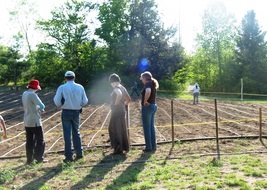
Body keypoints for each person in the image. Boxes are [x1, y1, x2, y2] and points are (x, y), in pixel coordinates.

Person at [54, 71, 88, 162]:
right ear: (74, 77)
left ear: (65, 78)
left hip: (66, 112)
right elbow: (85, 101)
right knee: (76, 132)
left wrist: (61, 105)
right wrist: (79, 105)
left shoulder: (62, 87)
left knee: (67, 134)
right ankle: (79, 153)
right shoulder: (80, 87)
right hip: (76, 112)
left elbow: (57, 101)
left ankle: (68, 156)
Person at [22, 79, 46, 164]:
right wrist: (42, 109)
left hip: (27, 120)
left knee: (29, 141)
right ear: (35, 87)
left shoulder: (24, 94)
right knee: (40, 140)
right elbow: (41, 105)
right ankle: (39, 158)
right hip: (35, 121)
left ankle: (29, 159)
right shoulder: (33, 95)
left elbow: (31, 105)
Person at [108, 73, 131, 154]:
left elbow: (119, 94)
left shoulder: (116, 87)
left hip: (116, 111)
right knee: (121, 128)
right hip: (121, 110)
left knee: (113, 128)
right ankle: (123, 147)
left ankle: (118, 148)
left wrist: (115, 104)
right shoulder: (123, 87)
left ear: (112, 81)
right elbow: (128, 98)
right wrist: (123, 104)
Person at [140, 71, 159, 152]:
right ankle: (153, 146)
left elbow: (148, 91)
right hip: (153, 106)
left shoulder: (147, 84)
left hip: (147, 107)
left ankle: (148, 147)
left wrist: (145, 101)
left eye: (141, 78)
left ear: (145, 78)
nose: (141, 80)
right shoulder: (152, 84)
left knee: (147, 127)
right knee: (151, 127)